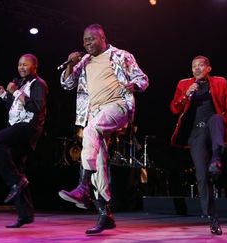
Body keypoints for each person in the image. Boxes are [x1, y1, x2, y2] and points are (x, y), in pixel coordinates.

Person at [58, 24, 149, 234]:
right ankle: (104, 212)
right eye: (84, 40)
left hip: (118, 106)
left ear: (103, 38)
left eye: (91, 39)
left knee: (91, 131)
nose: (87, 43)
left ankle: (83, 187)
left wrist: (133, 85)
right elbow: (67, 84)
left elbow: (143, 79)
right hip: (94, 111)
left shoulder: (121, 55)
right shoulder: (84, 61)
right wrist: (71, 64)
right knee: (97, 159)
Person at [170, 55, 227, 235]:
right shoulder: (184, 84)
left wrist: (226, 136)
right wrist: (185, 95)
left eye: (200, 65)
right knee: (202, 175)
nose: (196, 69)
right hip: (196, 133)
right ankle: (212, 217)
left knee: (216, 118)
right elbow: (174, 108)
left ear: (208, 68)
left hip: (214, 128)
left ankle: (216, 158)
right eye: (193, 66)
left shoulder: (220, 82)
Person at [0, 53, 48, 228]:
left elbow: (36, 107)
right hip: (17, 125)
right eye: (19, 64)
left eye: (25, 65)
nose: (21, 67)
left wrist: (15, 91)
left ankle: (15, 181)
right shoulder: (20, 83)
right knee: (17, 166)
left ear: (34, 67)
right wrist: (3, 95)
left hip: (28, 126)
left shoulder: (39, 84)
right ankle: (25, 214)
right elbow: (14, 107)